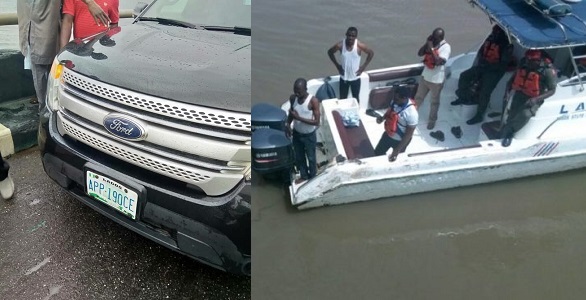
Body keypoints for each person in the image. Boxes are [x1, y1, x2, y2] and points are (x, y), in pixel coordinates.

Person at [17, 0, 110, 112]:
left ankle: (49, 109)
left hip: (47, 29)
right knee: (40, 70)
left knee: (50, 70)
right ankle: (45, 113)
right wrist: (90, 3)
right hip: (33, 29)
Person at [452, 25, 513, 125]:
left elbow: (503, 65)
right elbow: (481, 52)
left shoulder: (506, 46)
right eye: (493, 32)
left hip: (494, 72)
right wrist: (481, 63)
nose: (493, 34)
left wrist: (488, 66)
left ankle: (479, 115)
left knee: (484, 93)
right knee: (464, 76)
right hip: (483, 65)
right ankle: (462, 97)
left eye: (496, 33)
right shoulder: (490, 40)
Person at [500, 49, 556, 147]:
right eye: (528, 60)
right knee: (512, 113)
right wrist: (507, 92)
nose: (529, 63)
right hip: (520, 93)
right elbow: (513, 79)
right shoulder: (524, 64)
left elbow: (552, 90)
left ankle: (510, 133)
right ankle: (504, 130)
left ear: (539, 60)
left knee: (525, 114)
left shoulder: (547, 71)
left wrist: (536, 99)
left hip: (535, 97)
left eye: (532, 61)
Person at [413, 27, 451, 130]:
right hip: (425, 77)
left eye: (435, 37)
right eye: (432, 36)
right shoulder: (431, 44)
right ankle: (411, 117)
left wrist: (432, 48)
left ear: (440, 37)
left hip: (436, 81)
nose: (433, 39)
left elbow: (439, 62)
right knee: (418, 98)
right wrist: (427, 43)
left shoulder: (446, 47)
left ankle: (432, 120)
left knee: (434, 102)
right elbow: (420, 53)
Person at [287, 78, 321, 184]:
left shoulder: (313, 101)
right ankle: (304, 176)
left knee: (311, 158)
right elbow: (292, 114)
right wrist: (288, 124)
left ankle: (313, 177)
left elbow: (316, 122)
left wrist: (298, 118)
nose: (296, 93)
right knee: (299, 157)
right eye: (295, 90)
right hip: (297, 134)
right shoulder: (293, 98)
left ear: (306, 89)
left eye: (299, 91)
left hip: (309, 135)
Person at [327, 27, 374, 102]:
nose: (350, 38)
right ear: (346, 35)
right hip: (343, 78)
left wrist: (363, 67)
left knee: (355, 98)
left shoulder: (359, 45)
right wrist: (337, 66)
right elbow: (330, 52)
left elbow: (371, 53)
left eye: (353, 36)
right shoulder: (340, 45)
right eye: (349, 35)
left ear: (356, 37)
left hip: (355, 78)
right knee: (342, 99)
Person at [374, 86, 419, 162]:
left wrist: (397, 151)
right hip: (388, 135)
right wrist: (382, 118)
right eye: (394, 97)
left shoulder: (412, 114)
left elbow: (408, 135)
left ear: (404, 98)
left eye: (397, 99)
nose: (394, 100)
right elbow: (390, 112)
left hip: (400, 141)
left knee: (394, 160)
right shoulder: (395, 101)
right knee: (377, 153)